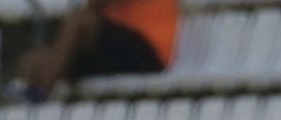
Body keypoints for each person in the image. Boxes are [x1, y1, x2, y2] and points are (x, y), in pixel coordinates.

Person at [10, 0, 178, 100]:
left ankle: (42, 91)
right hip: (116, 51)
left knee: (79, 21)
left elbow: (95, 5)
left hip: (151, 51)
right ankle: (32, 104)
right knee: (34, 60)